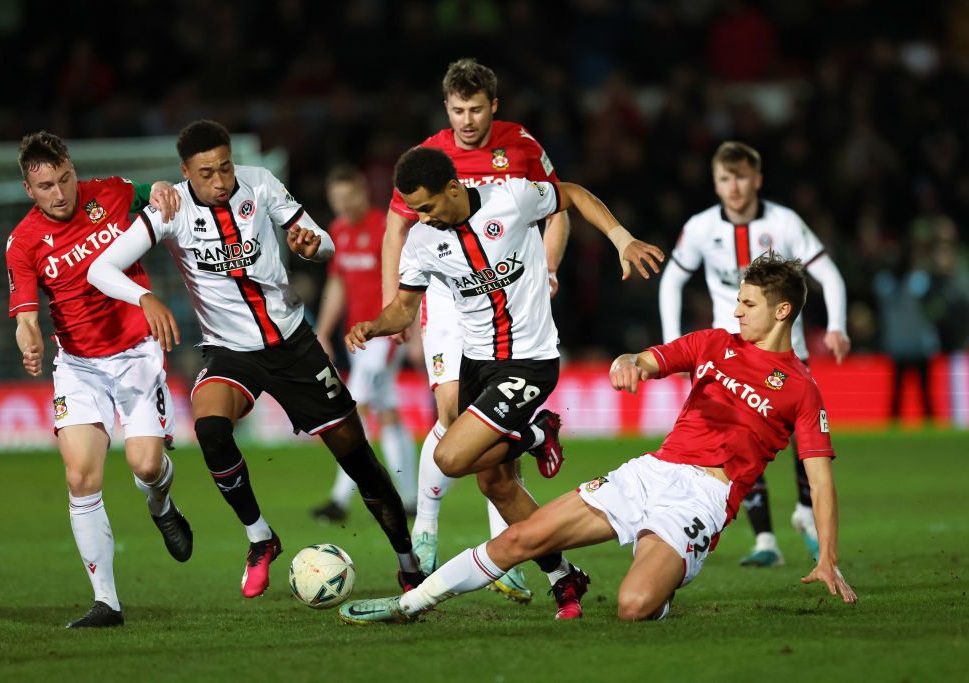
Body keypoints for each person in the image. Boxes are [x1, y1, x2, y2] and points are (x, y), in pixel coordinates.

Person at [338, 252, 858, 625]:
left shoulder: (800, 388)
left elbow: (821, 477)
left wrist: (827, 556)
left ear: (782, 310)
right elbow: (646, 359)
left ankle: (661, 583)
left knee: (634, 605)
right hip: (651, 472)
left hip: (701, 500)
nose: (737, 311)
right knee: (523, 538)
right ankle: (409, 605)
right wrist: (626, 364)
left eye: (748, 304)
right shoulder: (714, 343)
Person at [87, 120, 424, 597]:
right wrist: (143, 298)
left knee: (359, 459)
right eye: (207, 173)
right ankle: (260, 537)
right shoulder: (172, 208)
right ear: (186, 172)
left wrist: (312, 246)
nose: (221, 180)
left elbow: (322, 241)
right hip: (229, 352)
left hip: (293, 343)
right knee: (209, 428)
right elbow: (101, 268)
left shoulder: (261, 184)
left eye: (225, 167)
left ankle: (409, 567)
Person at [345, 147, 664, 619]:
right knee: (496, 482)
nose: (422, 217)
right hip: (477, 364)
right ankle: (563, 577)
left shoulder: (511, 199)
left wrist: (621, 238)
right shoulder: (421, 241)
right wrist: (375, 324)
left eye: (428, 206)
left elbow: (571, 194)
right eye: (415, 210)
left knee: (450, 457)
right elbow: (405, 308)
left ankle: (537, 432)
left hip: (531, 361)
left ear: (453, 189)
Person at [381, 57, 572, 603]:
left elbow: (558, 207)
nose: (466, 121)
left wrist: (550, 266)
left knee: (487, 443)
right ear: (447, 108)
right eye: (457, 110)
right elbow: (400, 227)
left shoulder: (521, 148)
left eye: (476, 109)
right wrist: (391, 306)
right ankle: (429, 528)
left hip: (507, 288)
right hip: (444, 289)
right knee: (451, 417)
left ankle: (506, 542)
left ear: (494, 105)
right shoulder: (430, 156)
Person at [6, 131, 193, 629]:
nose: (60, 193)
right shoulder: (23, 242)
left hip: (137, 353)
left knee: (146, 466)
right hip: (78, 365)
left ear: (73, 168)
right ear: (30, 188)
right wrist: (28, 337)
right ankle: (106, 602)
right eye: (46, 186)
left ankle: (162, 503)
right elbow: (25, 313)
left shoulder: (110, 191)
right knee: (79, 477)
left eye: (65, 178)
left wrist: (158, 188)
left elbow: (151, 193)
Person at [658, 141, 850, 567]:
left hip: (787, 355)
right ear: (715, 183)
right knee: (739, 441)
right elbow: (671, 281)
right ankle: (765, 539)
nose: (735, 187)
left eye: (741, 177)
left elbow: (829, 274)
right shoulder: (701, 227)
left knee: (806, 441)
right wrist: (674, 347)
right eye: (726, 178)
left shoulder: (784, 222)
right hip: (728, 360)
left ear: (757, 179)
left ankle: (803, 511)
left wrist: (837, 325)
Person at [310, 164, 418, 522]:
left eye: (348, 197)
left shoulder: (385, 228)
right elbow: (338, 284)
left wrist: (413, 329)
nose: (343, 206)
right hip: (358, 338)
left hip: (385, 332)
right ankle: (410, 497)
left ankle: (340, 499)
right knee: (386, 411)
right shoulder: (338, 232)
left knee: (351, 407)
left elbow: (412, 281)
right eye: (336, 200)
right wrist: (323, 331)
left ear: (362, 192)